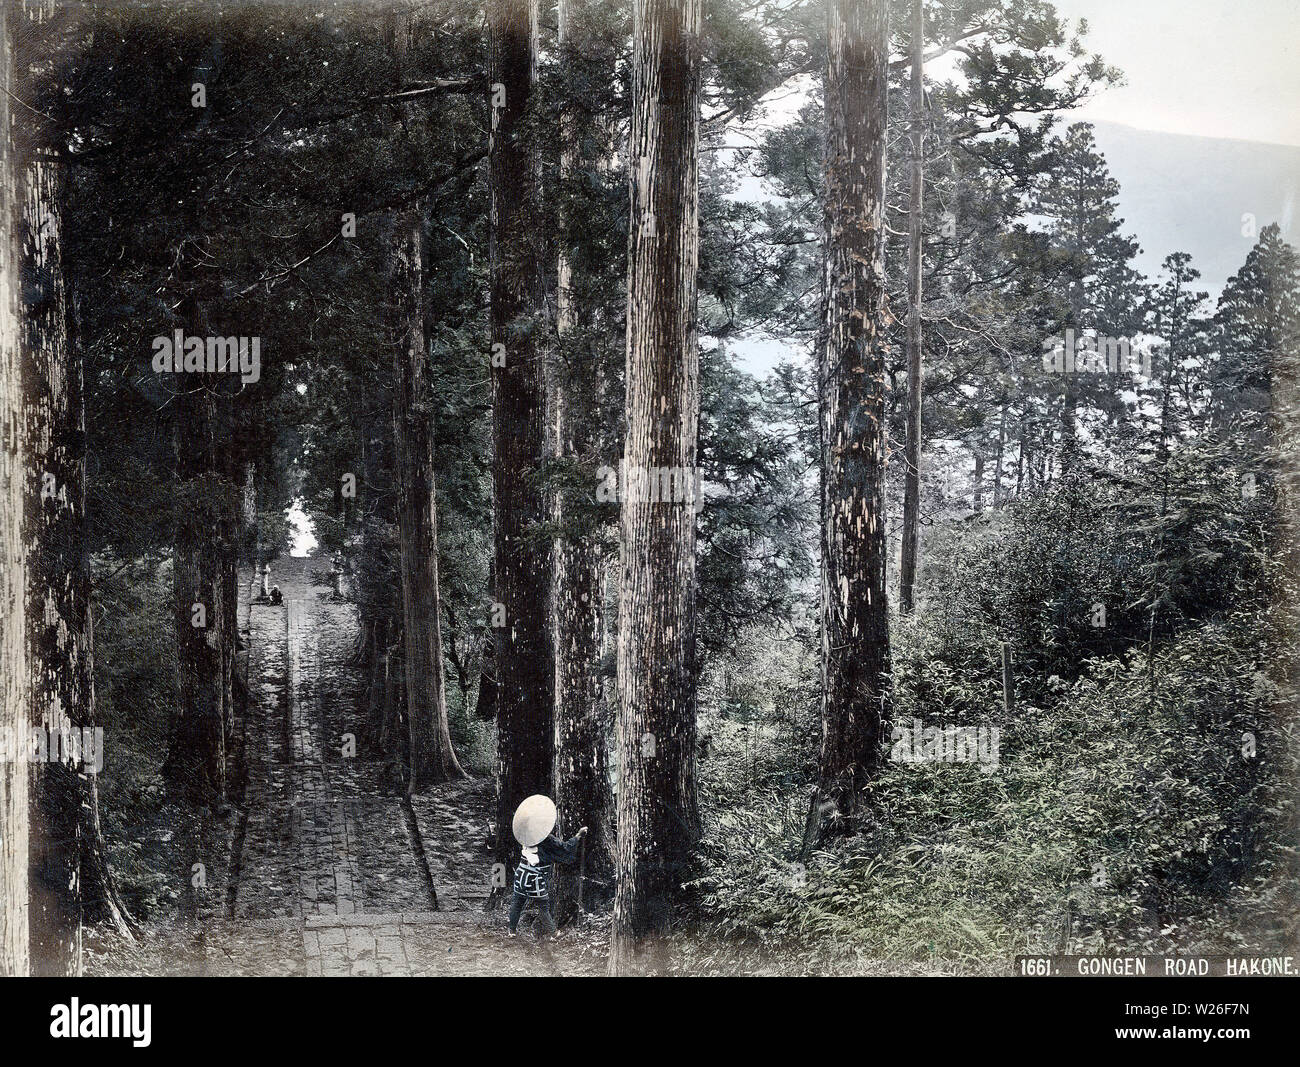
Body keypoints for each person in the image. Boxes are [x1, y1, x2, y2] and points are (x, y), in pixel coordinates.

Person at [508, 794, 587, 939]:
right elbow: (565, 849)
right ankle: (553, 933)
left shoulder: (524, 836)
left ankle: (511, 931)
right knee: (543, 906)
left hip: (521, 874)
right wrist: (578, 836)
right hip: (535, 877)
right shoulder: (546, 840)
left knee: (517, 901)